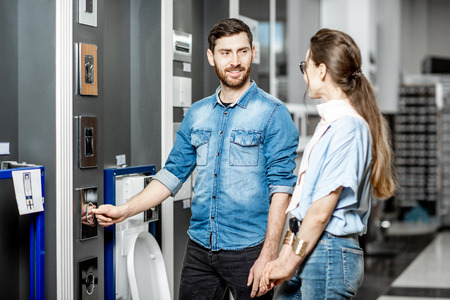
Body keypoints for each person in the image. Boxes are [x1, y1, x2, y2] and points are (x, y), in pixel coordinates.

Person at [94, 18, 299, 300]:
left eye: (242, 51)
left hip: (249, 250)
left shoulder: (273, 114)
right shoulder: (197, 113)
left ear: (253, 52)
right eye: (225, 52)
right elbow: (172, 174)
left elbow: (282, 191)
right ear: (211, 57)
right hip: (200, 248)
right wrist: (125, 210)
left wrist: (268, 254)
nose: (235, 61)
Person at [260, 28, 396, 299]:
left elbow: (322, 210)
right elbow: (303, 208)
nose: (303, 73)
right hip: (310, 247)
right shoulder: (331, 124)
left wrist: (288, 262)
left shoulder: (349, 127)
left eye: (305, 65)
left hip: (329, 254)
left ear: (321, 70)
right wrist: (285, 256)